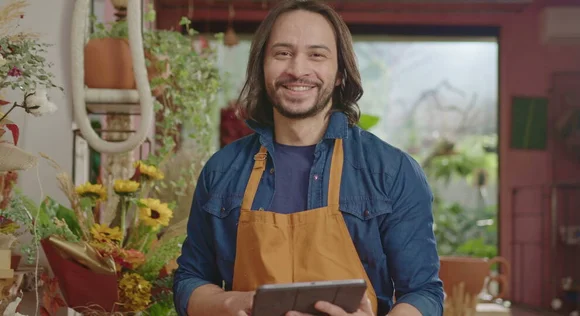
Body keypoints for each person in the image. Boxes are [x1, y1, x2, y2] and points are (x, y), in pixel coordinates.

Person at [173, 0, 444, 315]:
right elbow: (190, 279)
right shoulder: (221, 171)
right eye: (282, 53)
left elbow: (423, 293)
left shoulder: (392, 172)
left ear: (341, 72)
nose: (297, 70)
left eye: (317, 55)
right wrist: (235, 302)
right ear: (262, 67)